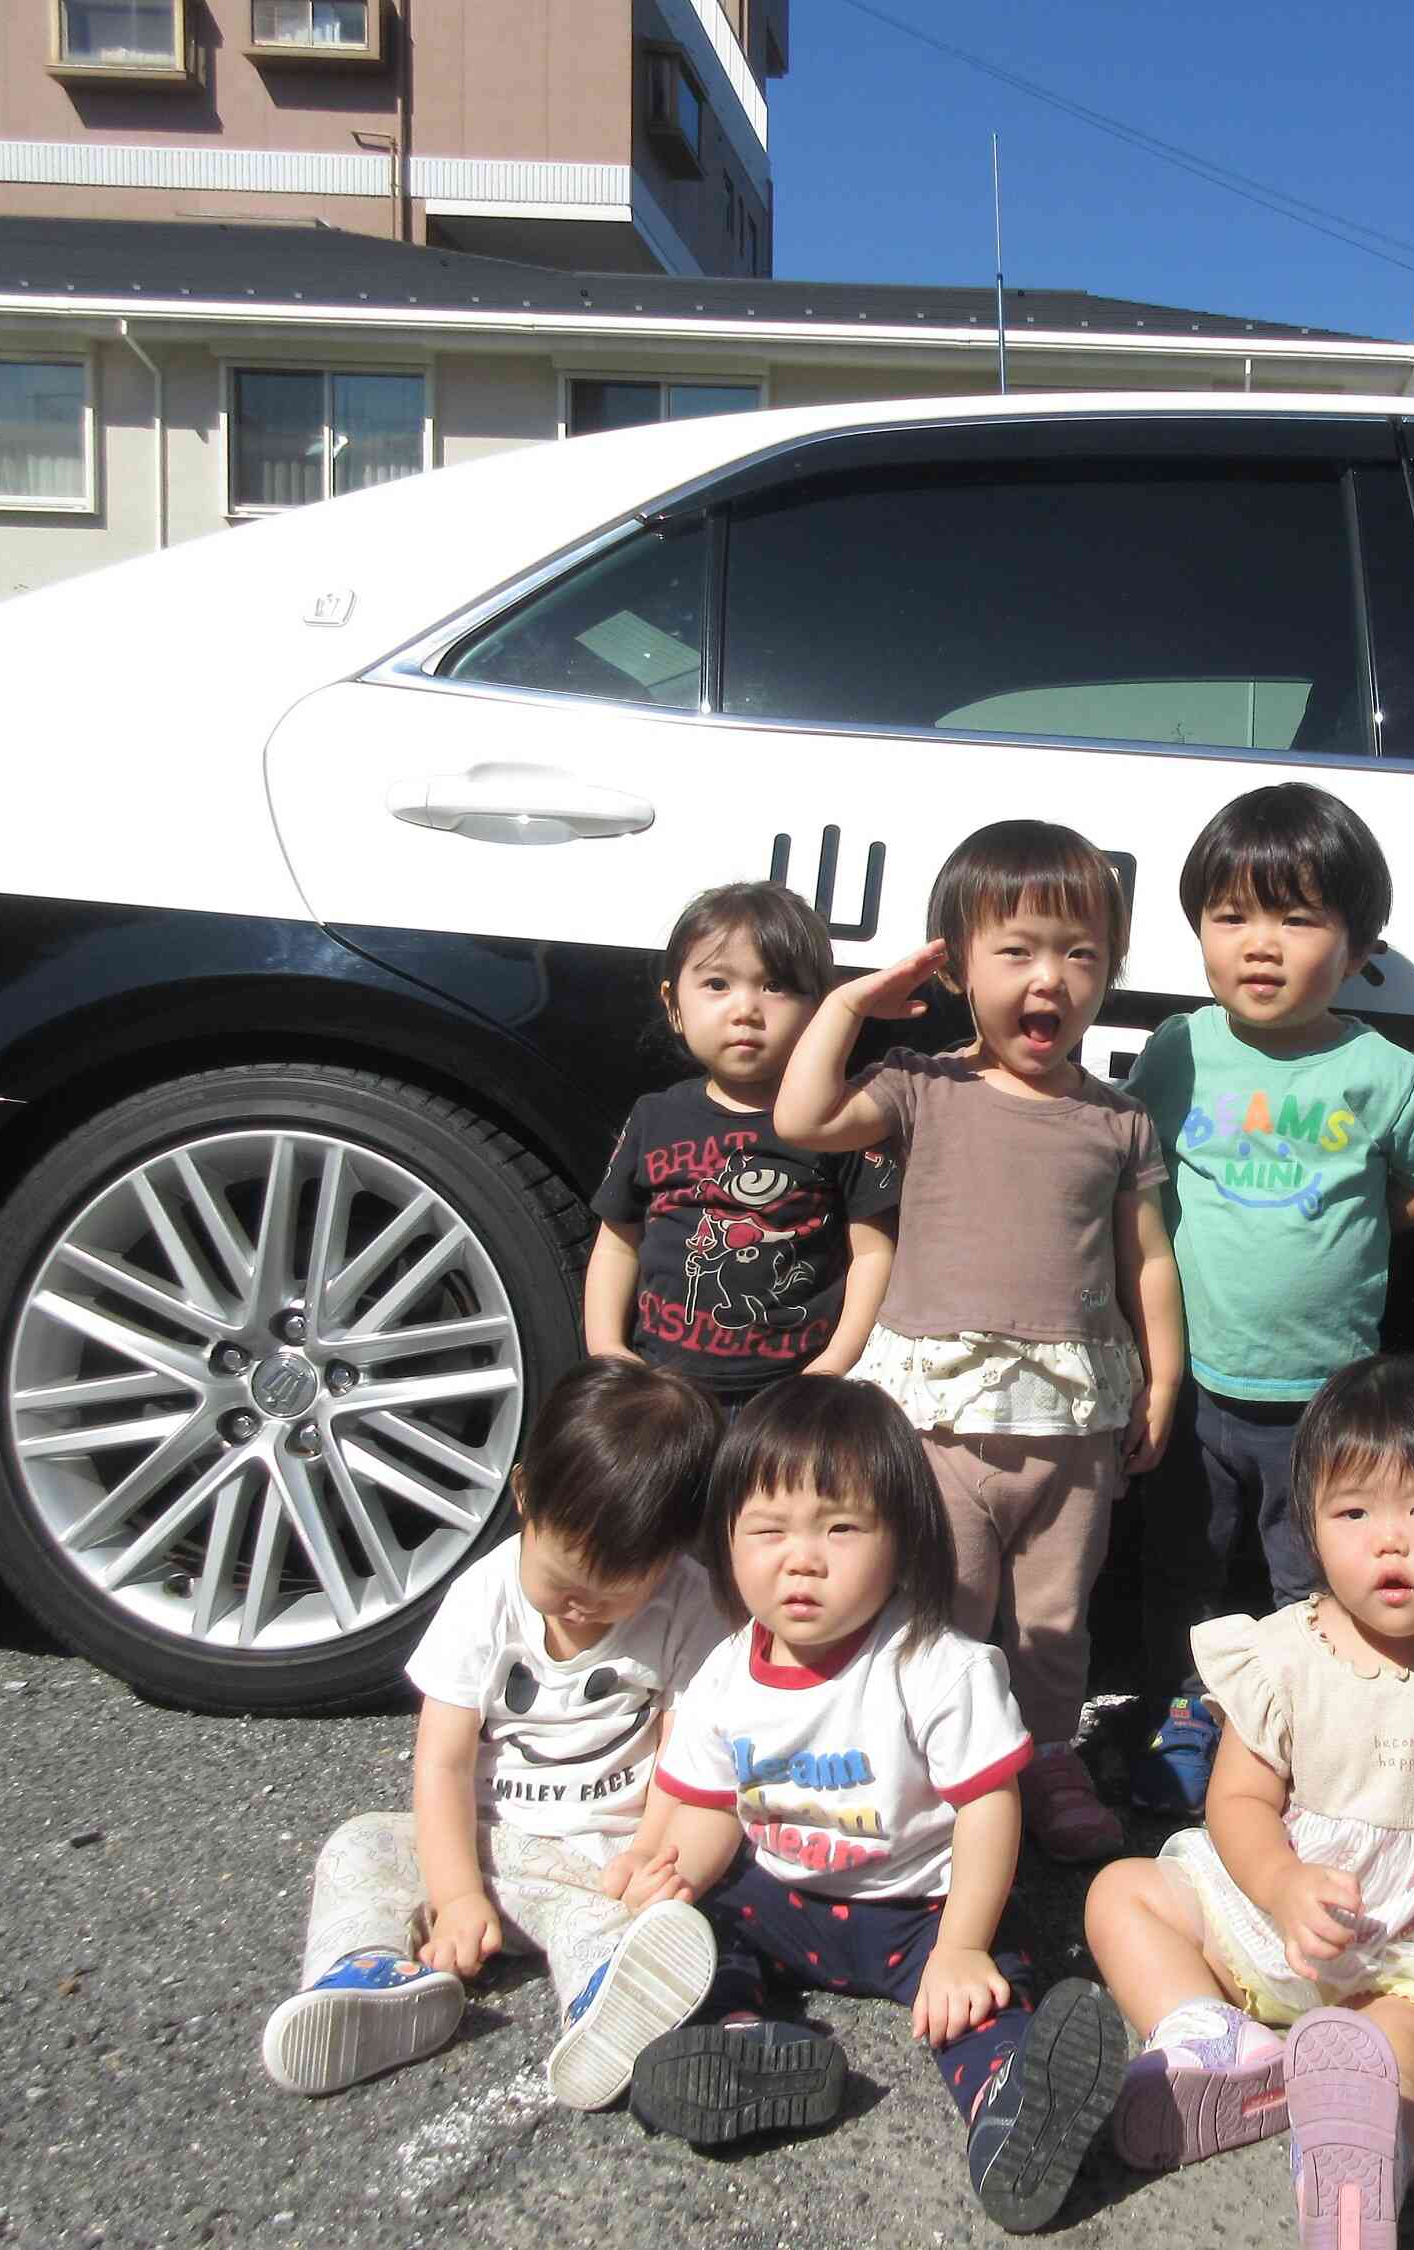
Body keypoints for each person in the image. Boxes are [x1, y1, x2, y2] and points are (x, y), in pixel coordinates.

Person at [1082, 1356, 1414, 2250]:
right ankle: (1209, 2041)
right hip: (1284, 1930)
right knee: (1122, 1893)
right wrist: (1276, 1885)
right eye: (1354, 1514)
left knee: (1392, 2060)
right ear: (1310, 1529)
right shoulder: (1282, 1656)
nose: (1389, 1543)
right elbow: (1237, 1799)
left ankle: (1358, 2170)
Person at [622, 1378, 1132, 2233]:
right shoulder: (720, 1678)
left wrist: (964, 1943)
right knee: (707, 1932)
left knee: (982, 1997)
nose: (802, 1558)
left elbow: (987, 1807)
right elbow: (710, 1803)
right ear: (726, 1544)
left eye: (841, 1528)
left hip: (919, 1911)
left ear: (903, 1542)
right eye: (769, 1530)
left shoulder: (937, 1665)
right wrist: (671, 1870)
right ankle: (748, 2048)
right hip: (786, 1900)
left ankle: (1010, 2112)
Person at [773, 820, 1185, 1862]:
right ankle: (936, 1761)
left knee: (1055, 1618)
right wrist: (847, 1004)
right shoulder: (923, 1086)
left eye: (1081, 954)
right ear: (955, 970)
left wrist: (1164, 1373)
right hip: (940, 1421)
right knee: (941, 1607)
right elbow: (803, 1118)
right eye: (1019, 952)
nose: (1051, 979)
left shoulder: (1118, 1122)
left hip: (1072, 1424)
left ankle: (1047, 1756)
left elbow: (1147, 1261)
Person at [1121, 784, 1414, 1811]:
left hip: (1326, 1400)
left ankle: (1316, 1725)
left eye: (1297, 916)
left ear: (1361, 940)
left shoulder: (1381, 1071)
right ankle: (1180, 1709)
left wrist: (1365, 1220)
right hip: (1189, 1385)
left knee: (1310, 1577)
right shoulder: (1181, 1051)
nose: (1261, 946)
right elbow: (1132, 1179)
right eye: (1231, 915)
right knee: (1182, 1567)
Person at [260, 1357, 726, 2105]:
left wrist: (650, 1852)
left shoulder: (689, 1606)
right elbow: (441, 1766)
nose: (579, 1609)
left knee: (621, 1916)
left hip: (597, 1859)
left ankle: (605, 2002)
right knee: (361, 1845)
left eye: (611, 1597)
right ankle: (369, 1974)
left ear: (672, 1555)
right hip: (481, 1844)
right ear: (522, 1497)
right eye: (564, 1582)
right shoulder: (484, 1597)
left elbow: (689, 1751)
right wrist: (455, 1895)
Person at [586, 881, 900, 1397]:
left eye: (775, 986)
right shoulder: (654, 1117)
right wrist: (609, 1353)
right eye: (716, 984)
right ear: (674, 1005)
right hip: (661, 1392)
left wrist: (833, 1366)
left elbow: (872, 1253)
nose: (746, 1010)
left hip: (789, 1397)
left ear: (821, 1011)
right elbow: (618, 1245)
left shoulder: (841, 1122)